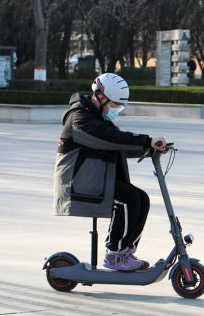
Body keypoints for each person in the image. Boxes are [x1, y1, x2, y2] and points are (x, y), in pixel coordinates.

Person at [53, 73, 166, 271]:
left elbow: (117, 145)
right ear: (101, 97)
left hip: (96, 177)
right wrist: (145, 140)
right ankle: (114, 254)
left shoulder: (97, 117)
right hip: (78, 181)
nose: (116, 111)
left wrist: (149, 149)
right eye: (114, 106)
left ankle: (126, 252)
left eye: (119, 107)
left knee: (141, 198)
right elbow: (108, 138)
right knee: (127, 200)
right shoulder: (80, 118)